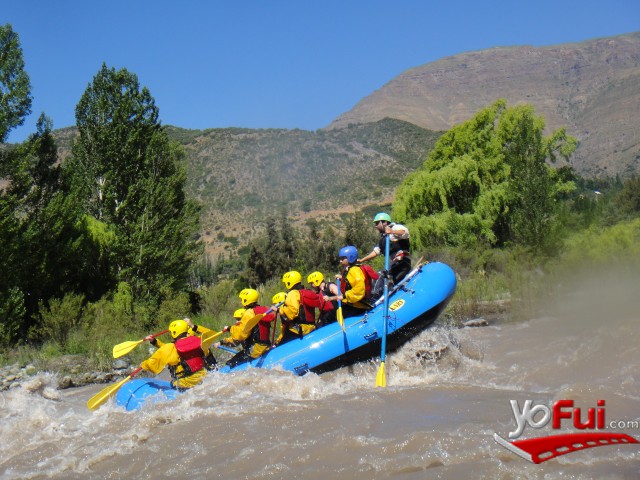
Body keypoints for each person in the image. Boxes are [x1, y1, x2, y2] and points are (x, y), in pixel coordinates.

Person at [141, 318, 214, 390]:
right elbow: (211, 334)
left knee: (173, 383)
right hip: (204, 378)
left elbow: (152, 364)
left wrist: (143, 365)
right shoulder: (199, 341)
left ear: (174, 333)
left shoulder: (170, 348)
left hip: (184, 385)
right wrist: (193, 326)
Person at [216, 288, 276, 366]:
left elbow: (241, 335)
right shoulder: (262, 309)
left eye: (242, 299)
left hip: (255, 349)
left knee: (230, 363)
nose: (241, 301)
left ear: (246, 300)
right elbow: (272, 316)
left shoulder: (249, 313)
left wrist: (230, 329)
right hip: (265, 345)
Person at [358, 212, 411, 285]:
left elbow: (405, 232)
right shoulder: (383, 238)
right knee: (378, 278)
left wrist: (392, 231)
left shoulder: (395, 227)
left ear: (384, 223)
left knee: (382, 277)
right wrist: (361, 260)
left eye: (377, 223)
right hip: (394, 265)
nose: (375, 226)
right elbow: (376, 252)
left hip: (402, 264)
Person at [276, 270, 325, 345]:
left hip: (297, 330)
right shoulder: (305, 291)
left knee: (279, 343)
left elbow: (292, 313)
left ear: (289, 283)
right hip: (310, 327)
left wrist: (280, 310)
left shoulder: (292, 293)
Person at [336, 245, 372, 318]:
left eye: (342, 258)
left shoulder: (354, 270)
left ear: (350, 258)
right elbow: (350, 280)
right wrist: (342, 278)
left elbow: (359, 290)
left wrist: (344, 296)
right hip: (352, 303)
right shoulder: (350, 269)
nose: (340, 261)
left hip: (358, 306)